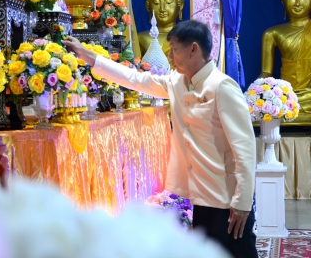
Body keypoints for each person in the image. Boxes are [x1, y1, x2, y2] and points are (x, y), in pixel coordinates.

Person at [62, 20, 257, 258]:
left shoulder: (222, 86)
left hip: (228, 199)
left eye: (175, 49)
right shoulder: (177, 81)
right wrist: (89, 56)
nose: (170, 56)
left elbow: (245, 150)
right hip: (201, 194)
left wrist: (243, 202)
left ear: (193, 49)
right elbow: (136, 79)